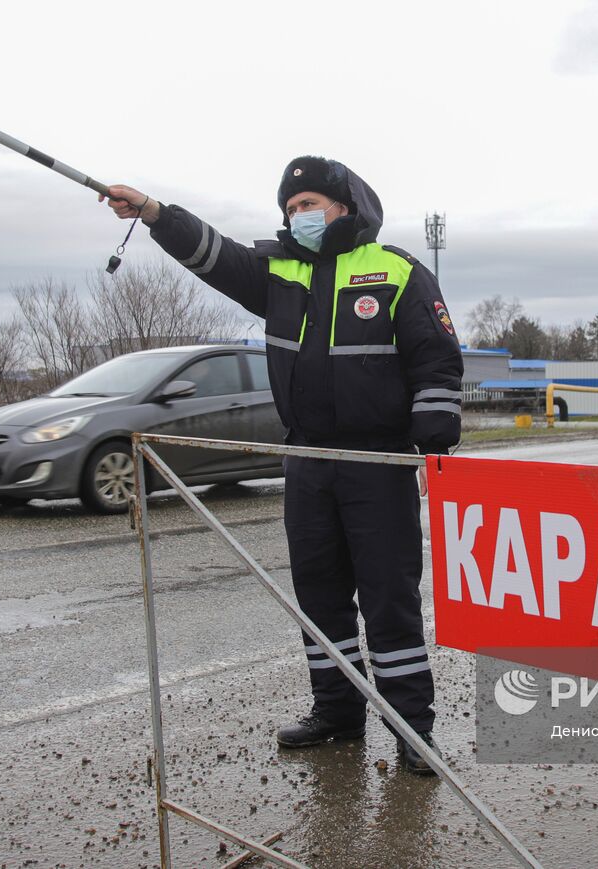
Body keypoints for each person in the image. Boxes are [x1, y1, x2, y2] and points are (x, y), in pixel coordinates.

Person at [103, 156, 463, 775]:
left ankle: (413, 730)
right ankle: (337, 714)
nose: (301, 216)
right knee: (319, 595)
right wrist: (156, 214)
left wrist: (434, 428)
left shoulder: (396, 270)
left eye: (311, 205)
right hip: (306, 461)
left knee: (388, 599)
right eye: (292, 209)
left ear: (345, 208)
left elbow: (438, 359)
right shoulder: (276, 271)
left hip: (374, 462)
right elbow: (211, 253)